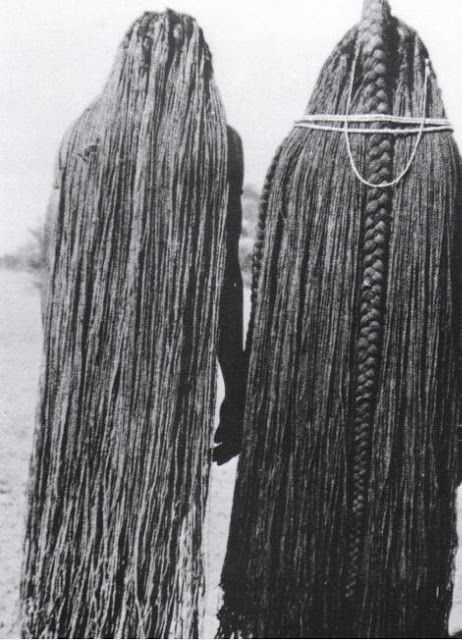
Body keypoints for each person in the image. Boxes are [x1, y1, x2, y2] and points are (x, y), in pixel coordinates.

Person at [218, 1, 462, 637]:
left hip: (299, 416)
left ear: (332, 73)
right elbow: (451, 312)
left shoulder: (301, 156)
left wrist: (246, 396)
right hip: (405, 434)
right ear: (420, 73)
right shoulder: (441, 162)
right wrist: (457, 421)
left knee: (297, 548)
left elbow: (268, 297)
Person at [21, 11, 245, 638]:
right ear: (201, 66)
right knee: (145, 522)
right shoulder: (217, 143)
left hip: (81, 376)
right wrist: (239, 389)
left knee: (77, 509)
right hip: (167, 379)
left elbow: (59, 270)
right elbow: (223, 280)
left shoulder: (81, 135)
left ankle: (65, 619)